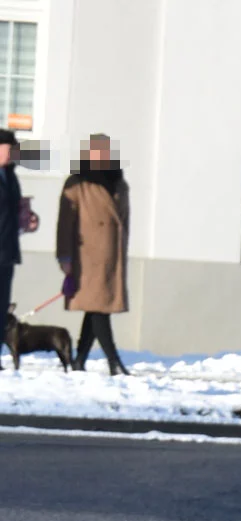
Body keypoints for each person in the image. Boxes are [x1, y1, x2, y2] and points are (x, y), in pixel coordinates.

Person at [55, 133, 131, 375]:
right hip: (86, 255)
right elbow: (64, 223)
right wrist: (64, 257)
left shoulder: (119, 182)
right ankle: (114, 361)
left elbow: (124, 220)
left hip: (112, 255)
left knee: (95, 307)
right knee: (99, 308)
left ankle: (79, 361)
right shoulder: (77, 183)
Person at [0, 128, 39, 365]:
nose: (13, 153)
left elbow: (12, 212)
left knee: (2, 308)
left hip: (7, 251)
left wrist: (28, 220)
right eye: (9, 148)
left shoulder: (10, 176)